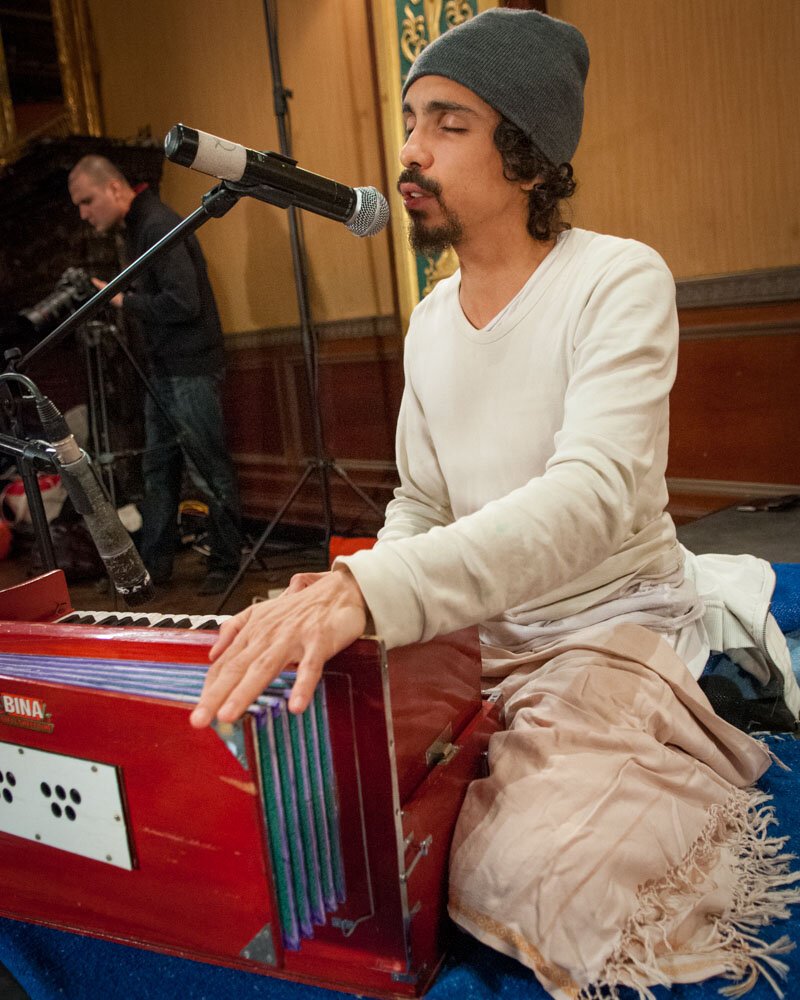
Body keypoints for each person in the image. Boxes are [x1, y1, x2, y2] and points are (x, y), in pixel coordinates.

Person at [189, 9, 800, 997]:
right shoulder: (429, 322)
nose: (408, 151)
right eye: (408, 120)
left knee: (539, 872)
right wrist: (365, 606)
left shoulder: (615, 278)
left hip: (607, 623)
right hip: (472, 635)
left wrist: (375, 589)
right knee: (299, 815)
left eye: (446, 123)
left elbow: (592, 496)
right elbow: (419, 504)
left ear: (523, 154)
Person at [68, 155, 242, 595]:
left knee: (207, 469)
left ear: (113, 188)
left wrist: (120, 301)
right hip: (166, 369)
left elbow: (185, 303)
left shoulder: (156, 225)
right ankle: (155, 567)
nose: (85, 214)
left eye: (87, 201)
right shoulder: (139, 226)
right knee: (158, 470)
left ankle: (226, 564)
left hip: (190, 367)